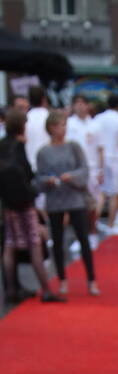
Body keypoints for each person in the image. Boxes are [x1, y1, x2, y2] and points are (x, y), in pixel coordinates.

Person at [0, 109, 63, 304]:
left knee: (10, 245)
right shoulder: (18, 148)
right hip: (24, 204)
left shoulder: (3, 145)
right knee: (35, 243)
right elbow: (27, 175)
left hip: (8, 204)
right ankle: (46, 289)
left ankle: (11, 289)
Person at [34, 111, 99, 297]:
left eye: (64, 125)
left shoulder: (74, 147)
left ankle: (91, 279)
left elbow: (84, 170)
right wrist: (49, 181)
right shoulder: (43, 152)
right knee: (58, 242)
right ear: (51, 128)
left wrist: (72, 177)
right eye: (60, 125)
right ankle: (62, 279)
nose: (63, 129)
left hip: (75, 198)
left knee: (83, 239)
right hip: (55, 200)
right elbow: (39, 178)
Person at [65, 94, 102, 244]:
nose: (80, 106)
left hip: (92, 168)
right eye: (77, 103)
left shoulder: (95, 125)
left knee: (91, 204)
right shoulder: (68, 124)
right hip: (73, 170)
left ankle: (92, 233)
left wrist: (100, 170)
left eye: (82, 103)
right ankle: (79, 236)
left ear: (88, 106)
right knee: (75, 205)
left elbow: (100, 149)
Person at [93, 92, 118, 235]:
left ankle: (94, 223)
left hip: (101, 158)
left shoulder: (98, 118)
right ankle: (110, 225)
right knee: (114, 194)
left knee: (101, 192)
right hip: (115, 159)